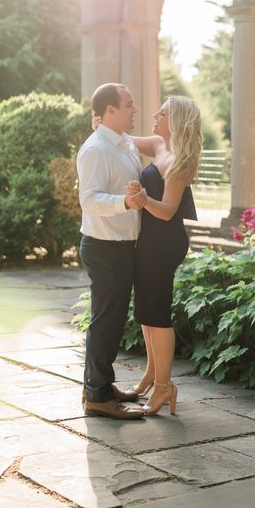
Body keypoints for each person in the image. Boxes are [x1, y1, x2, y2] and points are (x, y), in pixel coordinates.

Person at [125, 96, 202, 415]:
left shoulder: (180, 161)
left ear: (177, 121)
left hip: (164, 242)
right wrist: (103, 124)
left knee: (157, 313)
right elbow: (124, 139)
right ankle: (151, 376)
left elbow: (169, 211)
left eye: (163, 112)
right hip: (149, 240)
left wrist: (144, 201)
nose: (155, 114)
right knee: (145, 310)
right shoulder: (158, 144)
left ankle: (164, 388)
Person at [77, 83, 147, 419]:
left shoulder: (124, 143)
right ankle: (99, 396)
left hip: (121, 246)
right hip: (106, 247)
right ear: (109, 112)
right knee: (106, 322)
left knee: (110, 321)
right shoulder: (95, 150)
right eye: (129, 104)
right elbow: (89, 201)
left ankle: (97, 385)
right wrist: (125, 202)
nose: (135, 109)